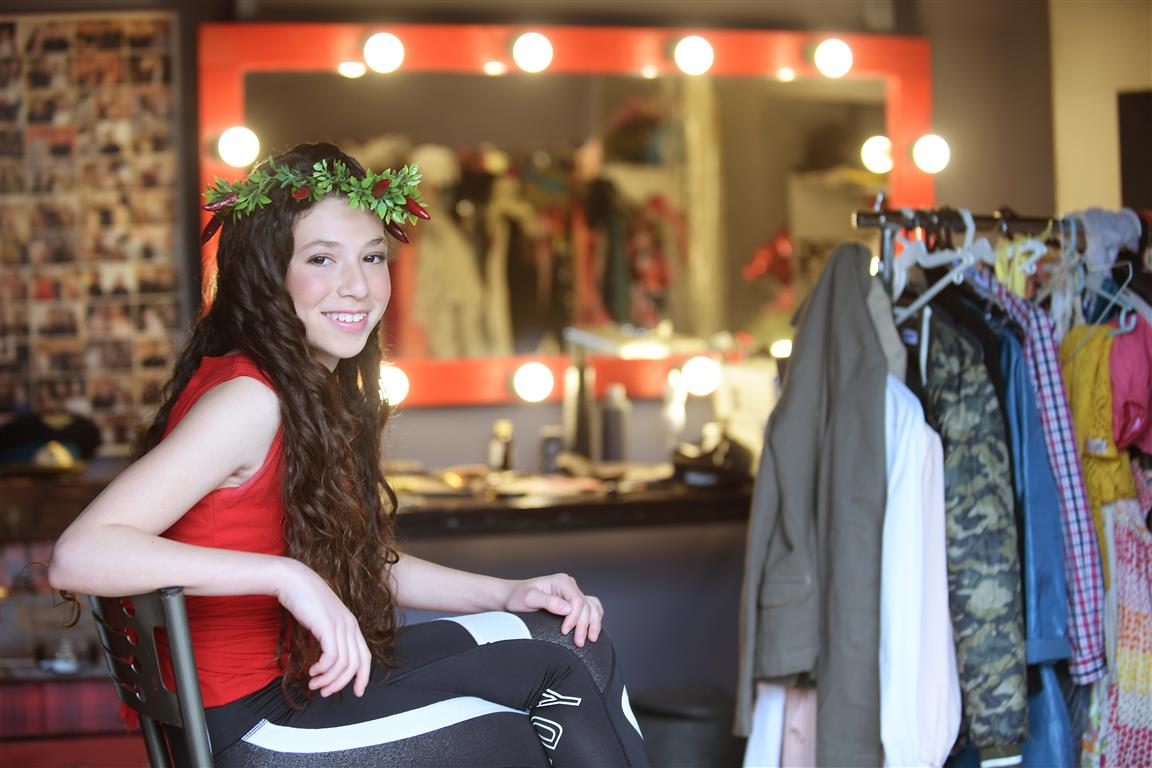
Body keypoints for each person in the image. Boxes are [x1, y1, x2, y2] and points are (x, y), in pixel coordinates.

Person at [48, 142, 649, 767]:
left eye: (372, 256)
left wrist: (505, 594)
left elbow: (352, 560)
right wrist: (286, 578)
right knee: (530, 709)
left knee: (570, 642)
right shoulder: (248, 401)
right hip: (254, 723)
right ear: (266, 274)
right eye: (320, 258)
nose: (357, 285)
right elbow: (79, 554)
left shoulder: (300, 389)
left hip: (303, 684)